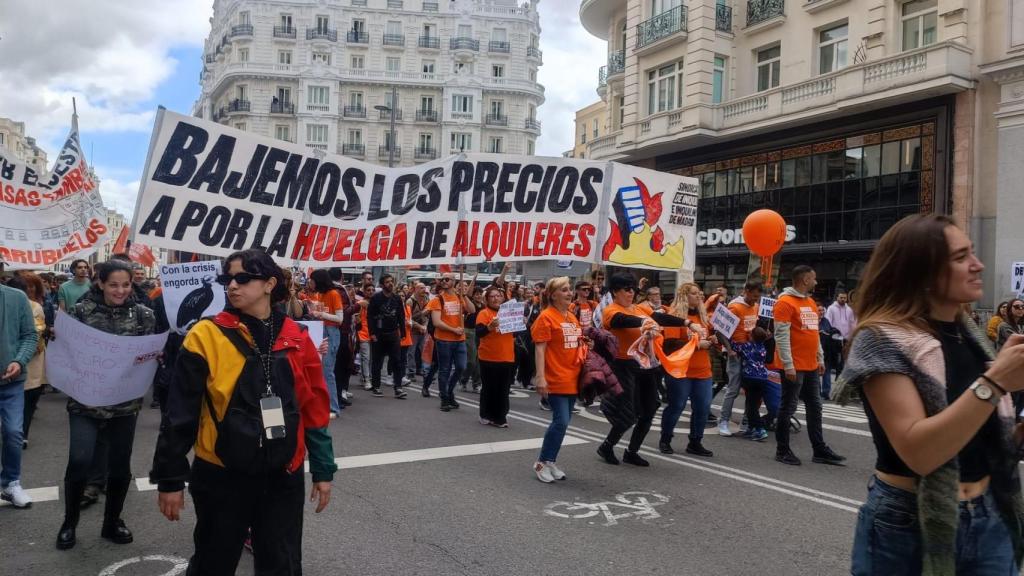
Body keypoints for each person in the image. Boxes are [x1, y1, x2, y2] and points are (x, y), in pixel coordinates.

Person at [833, 214, 1024, 575]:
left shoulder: (969, 333)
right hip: (908, 522)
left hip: (990, 514)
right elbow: (920, 453)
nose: (977, 264)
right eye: (960, 257)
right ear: (920, 272)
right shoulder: (880, 338)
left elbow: (978, 440)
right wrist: (996, 382)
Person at [151, 249, 336, 574]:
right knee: (213, 563)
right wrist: (170, 478)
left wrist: (323, 469)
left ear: (269, 283)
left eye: (243, 278)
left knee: (282, 564)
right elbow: (179, 414)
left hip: (284, 475)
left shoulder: (297, 337)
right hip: (221, 475)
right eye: (227, 279)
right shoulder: (204, 335)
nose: (232, 286)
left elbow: (314, 407)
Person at [56, 260, 157, 549]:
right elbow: (67, 351)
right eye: (113, 284)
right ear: (100, 283)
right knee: (79, 460)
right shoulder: (80, 312)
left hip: (124, 402)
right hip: (86, 401)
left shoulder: (144, 315)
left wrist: (151, 357)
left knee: (119, 467)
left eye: (125, 284)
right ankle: (69, 522)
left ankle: (112, 522)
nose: (120, 290)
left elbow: (148, 354)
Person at [770, 265, 846, 466]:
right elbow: (781, 336)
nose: (816, 282)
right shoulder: (784, 303)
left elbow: (814, 335)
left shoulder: (811, 302)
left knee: (815, 406)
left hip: (811, 365)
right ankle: (782, 450)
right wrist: (788, 365)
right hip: (794, 366)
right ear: (804, 280)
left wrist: (820, 359)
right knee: (788, 407)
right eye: (813, 278)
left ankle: (819, 449)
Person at [597, 273, 661, 467]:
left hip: (642, 363)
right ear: (615, 292)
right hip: (622, 365)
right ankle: (607, 446)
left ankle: (631, 452)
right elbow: (620, 320)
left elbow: (659, 317)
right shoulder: (611, 310)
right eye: (626, 289)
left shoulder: (638, 308)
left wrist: (687, 323)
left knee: (650, 408)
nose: (631, 292)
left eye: (633, 288)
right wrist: (642, 322)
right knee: (628, 413)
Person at [531, 277, 584, 483]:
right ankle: (542, 462)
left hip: (573, 377)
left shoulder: (571, 316)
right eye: (564, 290)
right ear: (553, 295)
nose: (569, 292)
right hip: (555, 378)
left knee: (564, 422)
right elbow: (540, 349)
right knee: (560, 421)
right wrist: (540, 377)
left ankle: (551, 460)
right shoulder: (546, 317)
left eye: (569, 289)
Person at [659, 283, 716, 456]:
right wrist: (697, 345)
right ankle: (665, 439)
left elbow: (709, 336)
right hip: (681, 371)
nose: (699, 296)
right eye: (694, 293)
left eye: (699, 293)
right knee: (677, 406)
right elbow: (669, 345)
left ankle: (695, 442)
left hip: (703, 370)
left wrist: (713, 339)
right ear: (684, 296)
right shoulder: (675, 317)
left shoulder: (703, 317)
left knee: (703, 407)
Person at [0, 274, 39, 509]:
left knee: (14, 432)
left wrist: (19, 360)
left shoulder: (16, 298)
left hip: (11, 381)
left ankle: (11, 482)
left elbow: (29, 335)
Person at [426, 271, 475, 411]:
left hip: (459, 340)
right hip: (444, 340)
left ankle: (449, 391)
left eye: (447, 279)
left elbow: (472, 309)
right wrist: (454, 330)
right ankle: (444, 398)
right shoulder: (437, 299)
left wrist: (464, 295)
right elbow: (436, 322)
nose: (444, 281)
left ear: (454, 282)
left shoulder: (460, 298)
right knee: (444, 370)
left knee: (461, 367)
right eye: (442, 279)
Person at [718, 281, 763, 436]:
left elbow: (752, 329)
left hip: (750, 352)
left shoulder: (756, 307)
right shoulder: (734, 307)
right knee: (733, 388)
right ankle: (723, 421)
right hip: (736, 352)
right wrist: (729, 350)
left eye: (757, 297)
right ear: (746, 291)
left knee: (751, 390)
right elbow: (720, 331)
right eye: (753, 296)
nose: (754, 300)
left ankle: (747, 420)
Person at [8, 274, 46, 450]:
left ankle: (22, 433)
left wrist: (21, 355)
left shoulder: (35, 307)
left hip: (31, 360)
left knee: (29, 397)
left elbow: (35, 333)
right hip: (8, 359)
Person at [476, 286, 516, 427]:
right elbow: (479, 332)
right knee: (489, 388)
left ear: (503, 298)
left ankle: (500, 417)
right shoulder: (484, 313)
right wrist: (489, 327)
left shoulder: (509, 313)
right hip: (488, 357)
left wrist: (521, 323)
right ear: (487, 299)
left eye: (498, 296)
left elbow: (515, 333)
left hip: (507, 357)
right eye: (492, 296)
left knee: (503, 389)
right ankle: (485, 414)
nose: (495, 298)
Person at [307, 270, 344, 417]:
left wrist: (320, 314)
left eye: (312, 280)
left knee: (327, 371)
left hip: (331, 332)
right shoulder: (322, 294)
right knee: (323, 371)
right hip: (324, 330)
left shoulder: (333, 294)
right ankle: (327, 406)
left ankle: (334, 408)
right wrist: (314, 306)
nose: (311, 282)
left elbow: (339, 318)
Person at [366, 274, 408, 398]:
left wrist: (403, 332)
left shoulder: (397, 298)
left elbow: (401, 315)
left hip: (393, 333)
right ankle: (376, 386)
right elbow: (370, 317)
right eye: (387, 282)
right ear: (382, 284)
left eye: (391, 281)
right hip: (379, 334)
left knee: (397, 361)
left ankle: (398, 387)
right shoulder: (376, 298)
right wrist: (372, 333)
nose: (390, 283)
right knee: (377, 362)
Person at [736, 327, 772, 442]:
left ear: (752, 336)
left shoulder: (748, 346)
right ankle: (751, 428)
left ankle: (760, 429)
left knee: (751, 408)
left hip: (751, 378)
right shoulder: (763, 348)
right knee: (753, 404)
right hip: (762, 378)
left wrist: (724, 336)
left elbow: (735, 346)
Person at [822, 291, 856, 397]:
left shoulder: (849, 310)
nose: (843, 299)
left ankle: (838, 391)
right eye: (841, 297)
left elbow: (852, 324)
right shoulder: (831, 309)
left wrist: (852, 338)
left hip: (845, 340)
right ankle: (827, 391)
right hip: (833, 340)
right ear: (837, 298)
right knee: (830, 364)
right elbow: (828, 323)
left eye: (844, 298)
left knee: (842, 366)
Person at [406, 281, 430, 379]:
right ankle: (411, 372)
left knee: (424, 351)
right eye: (421, 288)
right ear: (416, 289)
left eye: (424, 288)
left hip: (423, 330)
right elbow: (408, 318)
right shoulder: (410, 301)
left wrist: (424, 326)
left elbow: (428, 315)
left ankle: (425, 371)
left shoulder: (427, 299)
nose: (424, 290)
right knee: (411, 352)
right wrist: (419, 326)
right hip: (412, 330)